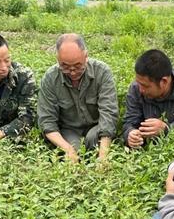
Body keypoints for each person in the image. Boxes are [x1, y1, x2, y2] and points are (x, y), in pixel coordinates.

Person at [37, 33, 119, 163]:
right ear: (57, 59)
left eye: (77, 66)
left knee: (93, 142)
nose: (72, 71)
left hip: (96, 128)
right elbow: (47, 122)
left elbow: (108, 115)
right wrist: (68, 150)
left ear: (86, 57)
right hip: (69, 130)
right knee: (73, 149)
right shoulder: (50, 78)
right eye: (65, 67)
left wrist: (103, 156)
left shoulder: (102, 72)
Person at [123, 49, 174, 148]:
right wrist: (130, 134)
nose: (140, 89)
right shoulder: (136, 87)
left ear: (164, 82)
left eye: (145, 86)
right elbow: (130, 121)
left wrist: (166, 129)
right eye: (138, 83)